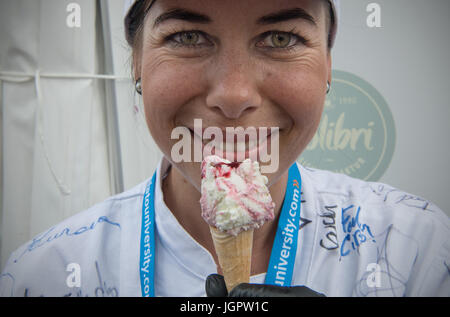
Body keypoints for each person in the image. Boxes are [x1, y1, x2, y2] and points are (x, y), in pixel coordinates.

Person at [0, 0, 448, 297]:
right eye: (188, 37)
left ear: (328, 65)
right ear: (137, 61)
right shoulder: (44, 275)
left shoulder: (415, 250)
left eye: (280, 38)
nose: (234, 96)